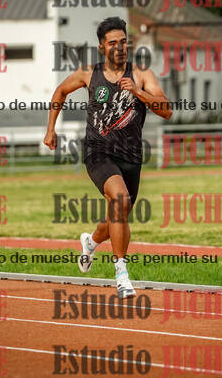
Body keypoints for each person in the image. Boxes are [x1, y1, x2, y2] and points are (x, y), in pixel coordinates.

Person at [43, 17, 172, 299]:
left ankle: (90, 242)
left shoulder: (141, 74)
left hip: (131, 156)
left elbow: (166, 110)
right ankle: (121, 274)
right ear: (102, 47)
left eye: (123, 42)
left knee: (118, 213)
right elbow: (60, 91)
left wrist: (138, 92)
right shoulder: (89, 72)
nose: (120, 47)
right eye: (113, 43)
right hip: (97, 151)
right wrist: (51, 129)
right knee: (121, 200)